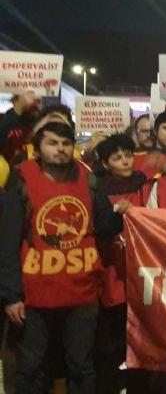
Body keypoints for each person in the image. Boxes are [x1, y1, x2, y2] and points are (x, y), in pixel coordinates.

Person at [0, 122, 108, 394]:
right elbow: (9, 243)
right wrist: (12, 296)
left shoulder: (89, 178)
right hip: (35, 295)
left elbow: (106, 224)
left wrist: (125, 213)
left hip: (82, 293)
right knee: (31, 367)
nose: (60, 148)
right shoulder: (21, 180)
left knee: (81, 367)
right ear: (37, 149)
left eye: (66, 143)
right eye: (52, 142)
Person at [90, 134, 149, 394]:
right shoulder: (96, 190)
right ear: (104, 163)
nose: (124, 161)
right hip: (112, 273)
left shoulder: (146, 186)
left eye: (127, 154)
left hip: (143, 275)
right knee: (110, 344)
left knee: (141, 342)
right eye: (116, 157)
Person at [0, 91, 40, 163]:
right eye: (30, 93)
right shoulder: (4, 122)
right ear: (16, 97)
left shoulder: (41, 122)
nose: (36, 97)